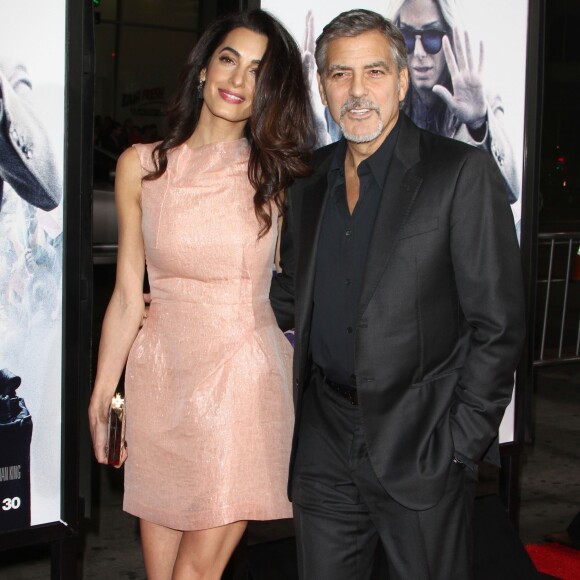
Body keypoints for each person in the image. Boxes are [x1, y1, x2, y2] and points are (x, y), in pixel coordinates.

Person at [270, 9, 525, 580]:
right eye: (339, 75)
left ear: (403, 80)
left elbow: (498, 325)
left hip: (424, 443)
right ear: (322, 85)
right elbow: (290, 295)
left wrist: (460, 444)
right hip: (324, 441)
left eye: (374, 72)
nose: (357, 92)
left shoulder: (459, 173)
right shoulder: (308, 180)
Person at [88, 9, 314, 579]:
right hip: (160, 379)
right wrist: (102, 395)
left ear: (270, 91)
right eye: (228, 60)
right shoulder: (141, 167)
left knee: (193, 575)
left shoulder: (278, 177)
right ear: (202, 71)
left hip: (240, 382)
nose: (238, 81)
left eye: (258, 72)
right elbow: (125, 297)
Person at [386, 0, 520, 204]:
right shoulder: (387, 104)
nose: (420, 53)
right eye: (407, 37)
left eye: (432, 36)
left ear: (452, 36)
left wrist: (477, 123)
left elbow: (510, 192)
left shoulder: (483, 104)